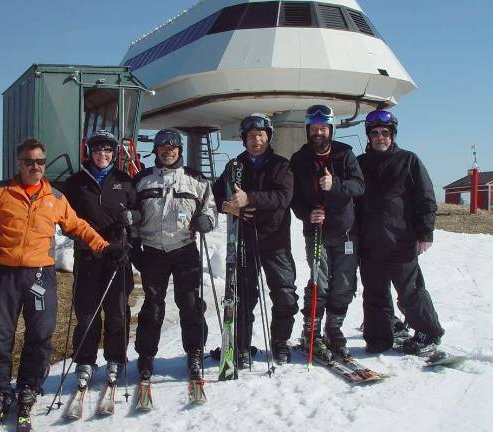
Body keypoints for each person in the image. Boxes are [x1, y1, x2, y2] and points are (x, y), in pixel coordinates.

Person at [0, 138, 127, 425]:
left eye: (40, 161)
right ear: (19, 163)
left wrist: (104, 247)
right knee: (0, 337)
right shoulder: (1, 191)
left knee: (40, 335)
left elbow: (77, 225)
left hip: (40, 274)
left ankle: (29, 385)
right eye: (29, 161)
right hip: (5, 274)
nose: (35, 166)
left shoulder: (54, 196)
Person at [213, 113, 298, 367]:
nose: (256, 140)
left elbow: (282, 198)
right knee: (244, 297)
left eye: (260, 135)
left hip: (275, 241)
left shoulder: (281, 165)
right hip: (244, 241)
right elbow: (217, 196)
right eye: (251, 136)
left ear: (268, 137)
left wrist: (249, 198)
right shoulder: (234, 166)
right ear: (244, 140)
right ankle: (241, 347)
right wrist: (227, 207)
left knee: (285, 295)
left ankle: (280, 343)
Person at [356, 110, 444, 354]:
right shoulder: (360, 163)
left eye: (385, 133)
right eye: (374, 133)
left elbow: (426, 199)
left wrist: (425, 232)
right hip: (370, 243)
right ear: (369, 136)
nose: (380, 137)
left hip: (401, 241)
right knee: (374, 294)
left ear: (392, 135)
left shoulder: (408, 160)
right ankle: (378, 338)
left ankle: (429, 332)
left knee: (410, 292)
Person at [131, 128, 216, 381]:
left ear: (179, 150)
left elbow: (211, 207)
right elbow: (131, 214)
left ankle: (195, 351)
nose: (168, 151)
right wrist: (135, 242)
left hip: (184, 249)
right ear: (156, 150)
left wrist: (207, 220)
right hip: (153, 251)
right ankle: (146, 355)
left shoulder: (196, 179)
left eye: (173, 147)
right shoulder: (142, 180)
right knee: (153, 306)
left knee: (190, 303)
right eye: (163, 147)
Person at [290, 105, 365, 360]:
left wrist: (335, 185)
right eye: (314, 129)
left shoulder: (345, 154)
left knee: (344, 285)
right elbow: (294, 198)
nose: (318, 133)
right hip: (317, 233)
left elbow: (358, 186)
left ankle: (334, 331)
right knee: (318, 283)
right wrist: (306, 214)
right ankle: (311, 334)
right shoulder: (299, 160)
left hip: (345, 233)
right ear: (308, 130)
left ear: (330, 129)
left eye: (323, 128)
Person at [64, 130, 137, 387]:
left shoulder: (124, 180)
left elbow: (137, 212)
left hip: (118, 256)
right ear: (89, 152)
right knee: (87, 311)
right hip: (87, 256)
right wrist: (83, 240)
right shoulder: (75, 183)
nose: (102, 155)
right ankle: (85, 359)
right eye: (97, 150)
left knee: (116, 311)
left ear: (114, 153)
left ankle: (116, 357)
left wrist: (132, 222)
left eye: (107, 150)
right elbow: (66, 222)